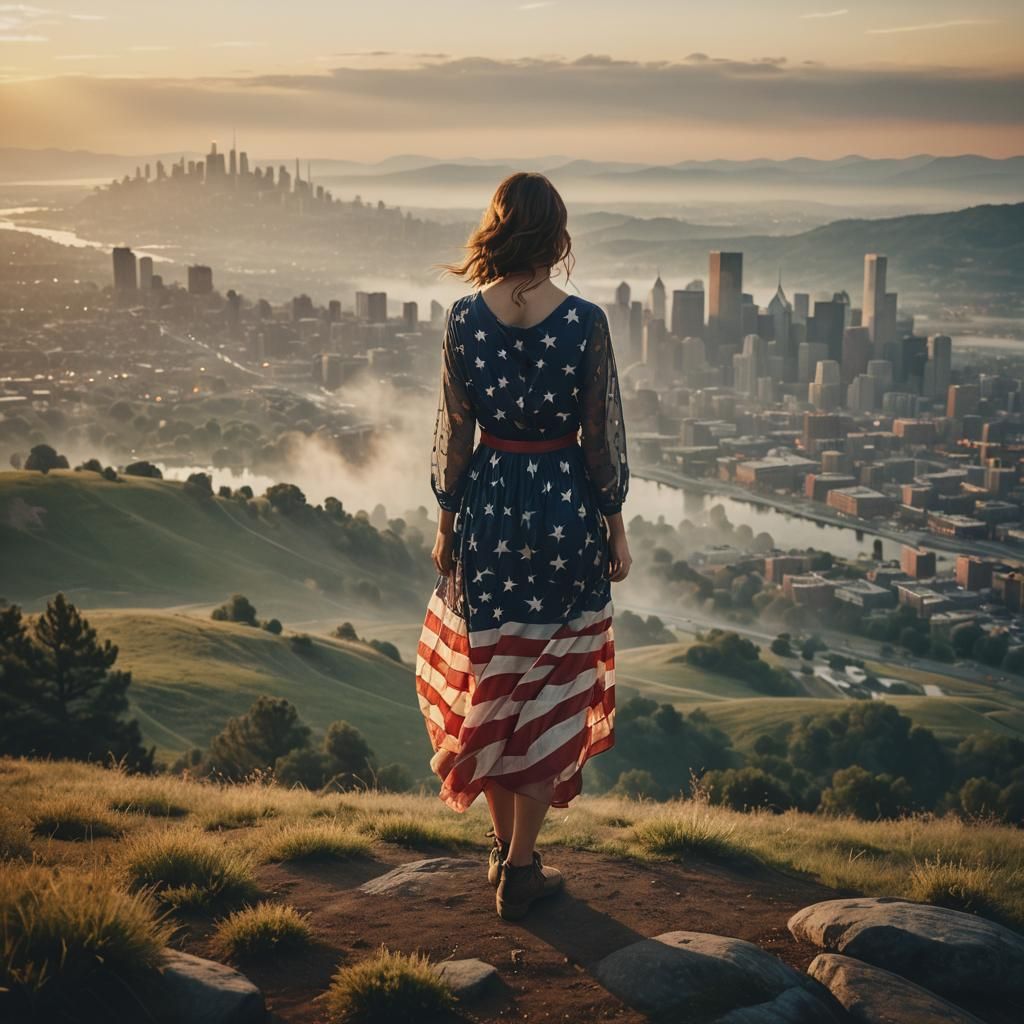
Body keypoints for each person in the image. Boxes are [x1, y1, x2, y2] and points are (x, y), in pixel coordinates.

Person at [414, 172, 630, 921]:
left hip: (488, 518)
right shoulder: (586, 321)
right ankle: (520, 865)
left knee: (497, 687)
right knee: (552, 692)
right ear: (557, 233)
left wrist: (446, 523)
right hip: (565, 513)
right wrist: (616, 525)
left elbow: (455, 430)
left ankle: (509, 859)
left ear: (497, 227)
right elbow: (600, 435)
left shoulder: (464, 318)